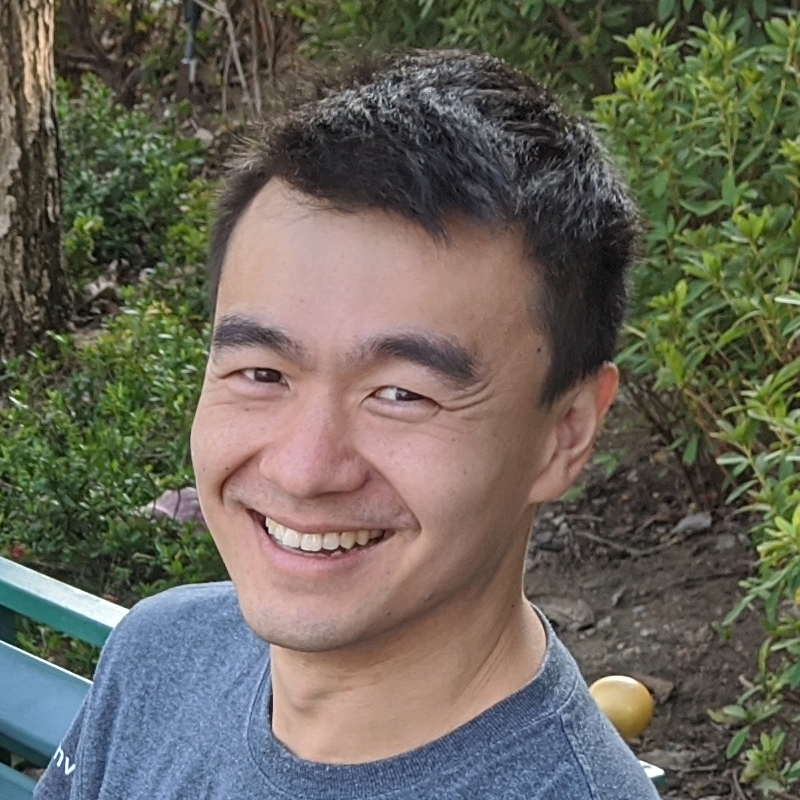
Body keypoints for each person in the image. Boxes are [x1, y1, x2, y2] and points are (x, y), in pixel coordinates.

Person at [35, 50, 660, 799]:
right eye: (263, 374)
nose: (302, 469)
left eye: (401, 394)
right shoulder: (161, 655)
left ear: (565, 434)